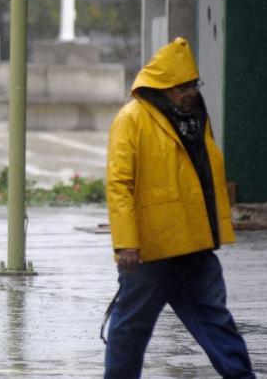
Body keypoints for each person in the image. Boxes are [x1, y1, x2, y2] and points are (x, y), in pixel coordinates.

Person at [104, 38, 254, 379]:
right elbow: (119, 185)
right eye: (183, 87)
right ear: (164, 87)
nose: (191, 92)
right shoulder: (132, 120)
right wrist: (126, 242)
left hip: (194, 247)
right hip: (151, 251)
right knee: (130, 331)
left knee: (217, 323)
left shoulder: (194, 118)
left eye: (194, 84)